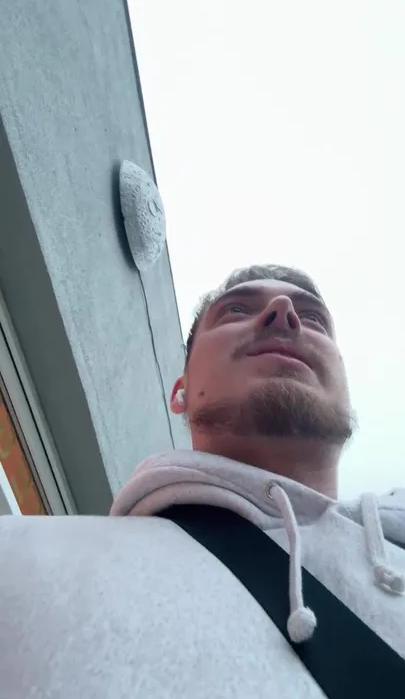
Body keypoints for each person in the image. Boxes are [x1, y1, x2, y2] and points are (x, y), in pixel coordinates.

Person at [1, 264, 404, 698]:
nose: (283, 310)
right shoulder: (18, 559)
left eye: (313, 318)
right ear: (181, 391)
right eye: (235, 310)